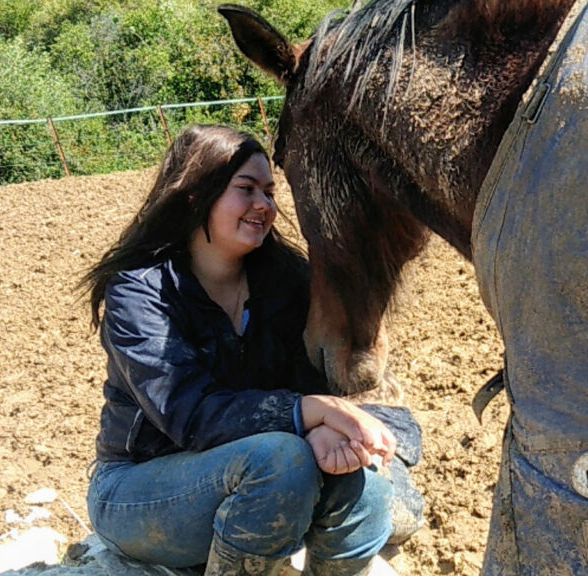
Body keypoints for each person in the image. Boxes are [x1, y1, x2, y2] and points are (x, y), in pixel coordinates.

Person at [81, 125, 410, 576]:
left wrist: (320, 429)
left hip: (260, 465)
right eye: (246, 189)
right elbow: (187, 413)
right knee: (281, 461)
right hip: (141, 487)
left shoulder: (288, 281)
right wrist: (307, 413)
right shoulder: (140, 291)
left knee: (365, 486)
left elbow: (308, 380)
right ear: (197, 195)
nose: (265, 205)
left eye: (270, 192)